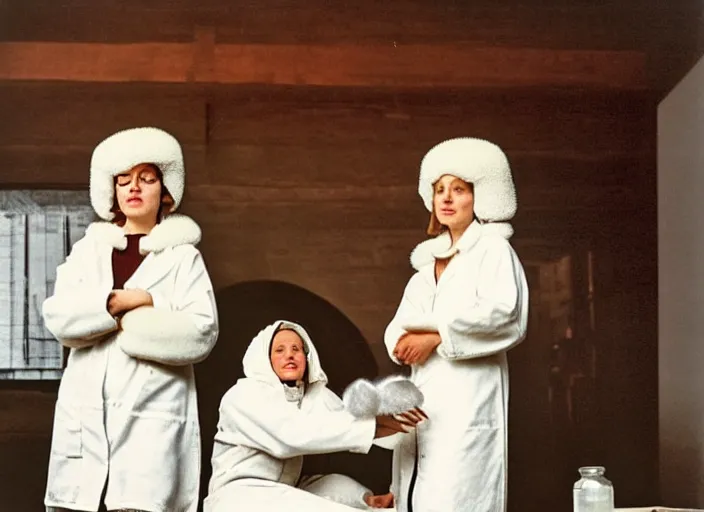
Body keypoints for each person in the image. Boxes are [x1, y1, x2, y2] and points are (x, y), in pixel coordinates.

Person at [42, 127, 220, 512]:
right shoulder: (88, 251)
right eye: (123, 180)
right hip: (84, 421)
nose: (133, 188)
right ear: (112, 192)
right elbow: (59, 317)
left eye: (147, 178)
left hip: (151, 425)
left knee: (140, 502)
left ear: (165, 190)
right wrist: (117, 303)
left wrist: (138, 310)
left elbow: (200, 333)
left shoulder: (182, 258)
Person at [383, 137, 529, 512]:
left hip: (470, 401)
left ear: (478, 196)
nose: (446, 198)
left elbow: (506, 315)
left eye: (458, 189)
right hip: (424, 402)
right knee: (418, 494)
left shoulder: (494, 251)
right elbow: (397, 327)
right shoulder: (423, 271)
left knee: (460, 496)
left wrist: (437, 335)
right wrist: (401, 342)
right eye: (439, 190)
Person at [204, 320, 424, 512]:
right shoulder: (243, 395)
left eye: (297, 349)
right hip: (239, 498)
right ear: (264, 359)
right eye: (279, 350)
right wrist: (373, 426)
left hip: (282, 490)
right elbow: (291, 436)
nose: (289, 354)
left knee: (336, 486)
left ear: (307, 358)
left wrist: (369, 498)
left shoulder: (310, 396)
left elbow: (347, 421)